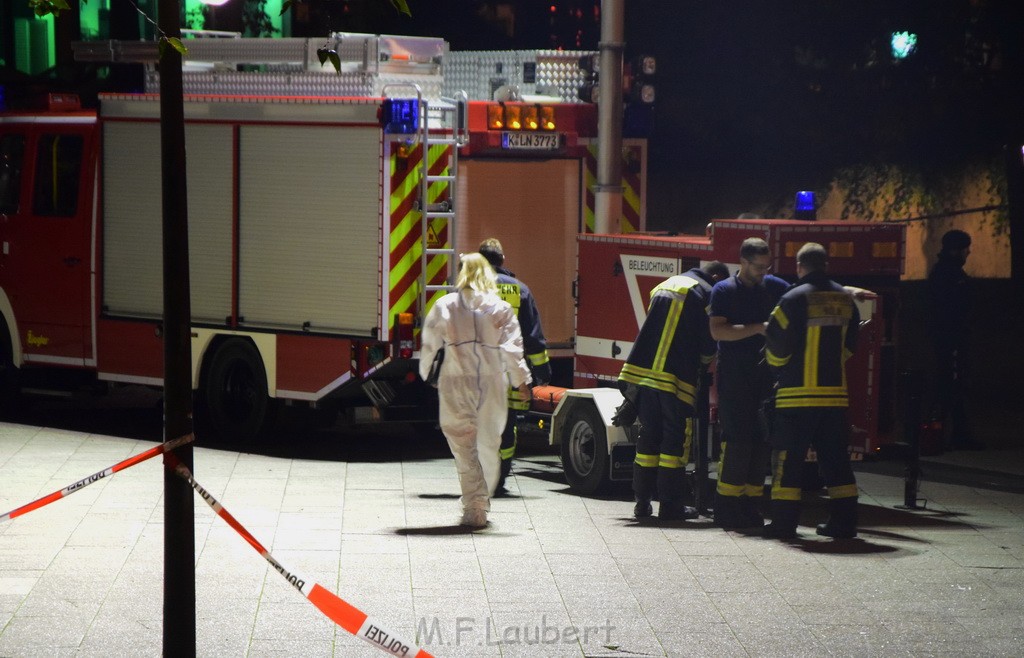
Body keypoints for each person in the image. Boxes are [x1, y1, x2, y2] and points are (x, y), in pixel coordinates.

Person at [419, 253, 532, 528]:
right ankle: (480, 502)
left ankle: (475, 503)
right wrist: (522, 381)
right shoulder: (500, 308)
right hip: (491, 383)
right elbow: (513, 348)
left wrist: (425, 371)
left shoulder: (445, 305)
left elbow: (430, 342)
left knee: (463, 443)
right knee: (489, 443)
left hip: (456, 380)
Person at [763, 243, 861, 539]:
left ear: (799, 266)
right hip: (834, 397)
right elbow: (849, 347)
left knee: (788, 462)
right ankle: (845, 524)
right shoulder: (846, 298)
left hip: (797, 396)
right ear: (826, 265)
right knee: (836, 462)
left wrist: (778, 369)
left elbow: (776, 348)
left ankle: (784, 524)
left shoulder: (791, 299)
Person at [618, 261, 724, 521]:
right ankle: (670, 506)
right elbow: (708, 340)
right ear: (716, 276)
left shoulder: (663, 286)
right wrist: (702, 366)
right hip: (675, 378)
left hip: (644, 375)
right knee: (673, 445)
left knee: (648, 440)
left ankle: (642, 503)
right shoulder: (706, 293)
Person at [708, 238, 789, 529]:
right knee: (737, 441)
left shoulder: (776, 287)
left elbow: (801, 299)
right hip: (734, 375)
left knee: (760, 442)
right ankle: (727, 509)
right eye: (758, 267)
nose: (763, 272)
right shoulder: (725, 291)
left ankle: (751, 506)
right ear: (742, 261)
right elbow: (718, 331)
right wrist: (758, 328)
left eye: (767, 266)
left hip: (765, 375)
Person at [478, 238, 552, 495]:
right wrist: (542, 371)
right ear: (502, 260)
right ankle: (500, 478)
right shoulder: (520, 290)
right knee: (507, 425)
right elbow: (532, 337)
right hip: (508, 373)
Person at [927, 229, 982, 451]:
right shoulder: (948, 275)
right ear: (955, 250)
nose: (968, 252)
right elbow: (950, 309)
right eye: (965, 248)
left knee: (952, 386)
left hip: (951, 338)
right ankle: (940, 434)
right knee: (951, 385)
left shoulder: (947, 273)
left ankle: (949, 432)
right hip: (951, 339)